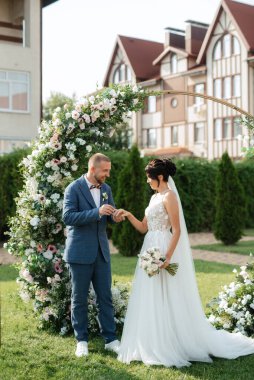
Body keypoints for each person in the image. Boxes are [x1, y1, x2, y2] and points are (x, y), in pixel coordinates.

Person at [116, 158, 254, 368]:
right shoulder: (154, 198)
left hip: (163, 247)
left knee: (167, 293)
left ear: (160, 177)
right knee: (150, 293)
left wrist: (167, 257)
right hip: (149, 247)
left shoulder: (170, 197)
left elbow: (177, 230)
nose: (147, 181)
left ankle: (171, 341)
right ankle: (151, 340)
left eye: (149, 177)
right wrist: (128, 215)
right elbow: (144, 227)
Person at [62, 153, 123, 357]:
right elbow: (68, 217)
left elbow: (108, 215)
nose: (107, 174)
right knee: (79, 298)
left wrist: (115, 216)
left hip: (101, 252)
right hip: (79, 252)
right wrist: (96, 212)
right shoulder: (73, 188)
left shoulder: (106, 189)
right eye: (105, 171)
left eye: (109, 170)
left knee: (105, 296)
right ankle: (82, 341)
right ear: (93, 169)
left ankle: (110, 339)